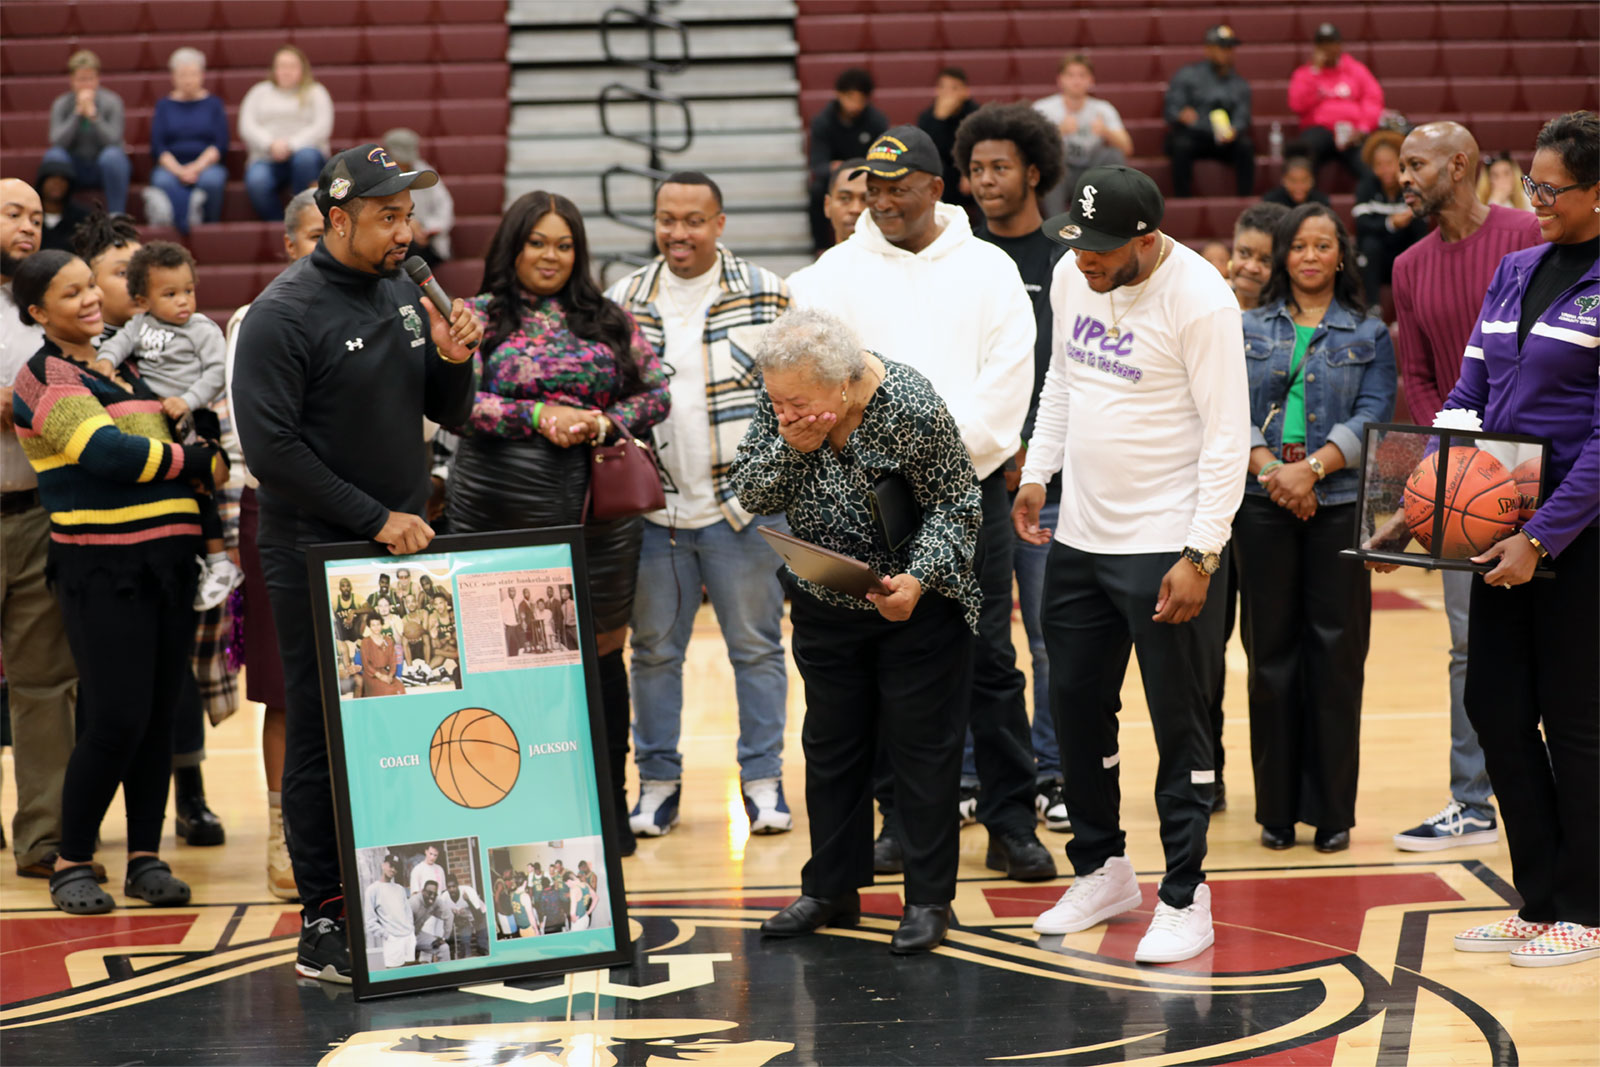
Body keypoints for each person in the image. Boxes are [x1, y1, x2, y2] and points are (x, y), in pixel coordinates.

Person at [232, 143, 481, 983]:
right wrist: (377, 519)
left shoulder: (405, 293)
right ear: (336, 219)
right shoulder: (283, 313)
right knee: (322, 734)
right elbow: (273, 452)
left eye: (408, 214)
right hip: (320, 549)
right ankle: (326, 919)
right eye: (387, 216)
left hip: (400, 552)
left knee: (412, 729)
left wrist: (455, 358)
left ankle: (408, 906)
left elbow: (448, 413)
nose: (404, 231)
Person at [785, 128, 1053, 882]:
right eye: (874, 188)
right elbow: (812, 389)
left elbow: (1007, 392)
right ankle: (900, 820)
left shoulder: (990, 270)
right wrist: (881, 464)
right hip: (863, 505)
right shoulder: (828, 277)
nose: (884, 201)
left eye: (900, 187)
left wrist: (928, 463)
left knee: (992, 662)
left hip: (968, 496)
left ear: (937, 187)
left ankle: (1010, 819)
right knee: (881, 664)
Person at [1013, 166, 1249, 964]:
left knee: (1180, 727)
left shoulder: (1202, 299)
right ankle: (1103, 865)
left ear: (1146, 239)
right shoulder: (1072, 272)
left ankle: (1187, 894)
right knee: (1076, 709)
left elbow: (1226, 436)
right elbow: (1063, 380)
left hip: (1167, 543)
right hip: (1079, 534)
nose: (1085, 262)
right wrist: (1039, 472)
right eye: (1077, 246)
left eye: (1104, 250)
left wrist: (1201, 551)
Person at [733, 308, 981, 954]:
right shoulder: (785, 407)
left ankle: (929, 899)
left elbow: (959, 504)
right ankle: (831, 888)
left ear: (843, 384)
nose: (785, 409)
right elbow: (752, 492)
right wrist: (793, 444)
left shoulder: (909, 404)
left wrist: (920, 580)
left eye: (798, 402)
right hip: (825, 599)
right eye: (777, 399)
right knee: (831, 747)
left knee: (922, 753)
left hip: (914, 608)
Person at [447, 190, 668, 853]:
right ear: (512, 246)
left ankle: (604, 808)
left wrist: (605, 420)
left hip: (597, 516)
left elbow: (655, 394)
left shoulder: (609, 318)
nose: (551, 255)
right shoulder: (475, 318)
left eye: (564, 243)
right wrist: (536, 416)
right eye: (537, 241)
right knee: (505, 664)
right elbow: (458, 403)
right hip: (498, 509)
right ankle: (515, 805)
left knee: (602, 659)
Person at [11, 250, 227, 915]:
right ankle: (74, 858)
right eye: (69, 292)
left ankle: (144, 855)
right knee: (113, 717)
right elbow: (107, 454)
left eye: (89, 288)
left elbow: (192, 422)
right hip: (101, 568)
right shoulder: (42, 374)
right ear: (37, 312)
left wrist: (197, 447)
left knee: (159, 717)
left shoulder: (128, 364)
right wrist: (192, 459)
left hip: (167, 564)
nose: (87, 300)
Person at [1434, 111, 1598, 967]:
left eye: (1550, 187)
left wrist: (1543, 535)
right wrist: (1428, 484)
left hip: (1578, 538)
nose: (1531, 199)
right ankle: (1538, 897)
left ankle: (1587, 902)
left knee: (1576, 719)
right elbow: (1468, 391)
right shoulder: (1513, 270)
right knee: (1494, 704)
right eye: (1527, 183)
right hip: (1497, 530)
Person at [605, 173, 793, 839]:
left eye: (692, 219)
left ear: (719, 222)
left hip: (745, 512)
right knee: (654, 652)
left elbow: (793, 402)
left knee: (757, 647)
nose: (677, 233)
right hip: (656, 515)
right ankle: (658, 784)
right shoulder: (623, 301)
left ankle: (763, 780)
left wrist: (771, 485)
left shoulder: (769, 294)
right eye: (665, 219)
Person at [1386, 121, 1541, 852]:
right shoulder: (1410, 264)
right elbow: (1416, 374)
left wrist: (1505, 450)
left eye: (1415, 165)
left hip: (1547, 466)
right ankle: (1472, 801)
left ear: (1461, 164)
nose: (1402, 177)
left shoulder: (1525, 233)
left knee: (1563, 636)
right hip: (1459, 476)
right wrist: (1450, 455)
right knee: (1466, 644)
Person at [1238, 203, 1395, 854]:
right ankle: (1275, 810)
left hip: (1335, 502)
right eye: (1297, 245)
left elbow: (1375, 412)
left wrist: (1315, 470)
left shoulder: (1369, 330)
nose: (1308, 256)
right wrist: (1276, 471)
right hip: (1260, 496)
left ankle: (1333, 811)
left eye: (1322, 245)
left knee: (1337, 656)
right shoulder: (1243, 325)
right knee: (1269, 657)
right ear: (1282, 257)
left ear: (1340, 256)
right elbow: (1224, 408)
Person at [951, 102, 1070, 833]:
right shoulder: (958, 260)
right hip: (974, 479)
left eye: (1000, 167)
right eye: (976, 169)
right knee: (979, 636)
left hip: (1050, 483)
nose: (986, 180)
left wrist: (1033, 453)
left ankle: (1052, 772)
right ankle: (979, 771)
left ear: (1035, 170)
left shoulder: (1066, 258)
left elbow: (1073, 371)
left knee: (1052, 637)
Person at [223, 188, 322, 899]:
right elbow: (249, 437)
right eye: (316, 234)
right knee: (286, 692)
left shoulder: (388, 309)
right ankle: (286, 836)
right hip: (280, 510)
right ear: (290, 243)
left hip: (369, 515)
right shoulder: (256, 318)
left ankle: (360, 829)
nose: (327, 246)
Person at [0, 181, 89, 885]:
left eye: (35, 216)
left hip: (36, 512)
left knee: (44, 683)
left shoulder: (50, 311)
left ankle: (43, 835)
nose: (28, 226)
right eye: (12, 214)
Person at [95, 241, 243, 610]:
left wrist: (188, 400)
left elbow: (216, 373)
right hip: (157, 417)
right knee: (176, 486)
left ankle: (220, 562)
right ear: (143, 300)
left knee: (201, 485)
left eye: (189, 291)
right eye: (171, 294)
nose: (183, 302)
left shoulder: (202, 329)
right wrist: (104, 362)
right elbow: (117, 347)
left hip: (192, 414)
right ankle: (193, 555)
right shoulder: (138, 324)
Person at [240, 45, 332, 222]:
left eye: (292, 66)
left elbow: (322, 127)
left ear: (302, 69)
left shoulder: (316, 92)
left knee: (305, 159)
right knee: (256, 181)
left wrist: (291, 145)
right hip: (266, 157)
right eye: (282, 66)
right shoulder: (259, 92)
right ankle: (282, 224)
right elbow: (247, 125)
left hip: (306, 155)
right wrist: (270, 144)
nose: (286, 71)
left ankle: (301, 218)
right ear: (274, 69)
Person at [1032, 54, 1132, 217]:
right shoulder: (1043, 108)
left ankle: (1109, 223)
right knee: (1049, 163)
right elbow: (1030, 149)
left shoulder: (1103, 109)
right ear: (1060, 80)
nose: (1076, 81)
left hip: (1092, 172)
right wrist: (1058, 132)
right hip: (1062, 174)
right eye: (1070, 75)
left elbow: (1127, 148)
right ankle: (1056, 230)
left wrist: (1106, 132)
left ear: (1091, 80)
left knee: (1113, 155)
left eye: (1082, 75)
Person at [1164, 25, 1255, 198]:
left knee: (1246, 146)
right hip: (1195, 135)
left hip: (1225, 137)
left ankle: (1245, 200)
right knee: (1180, 145)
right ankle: (1183, 201)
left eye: (1230, 47)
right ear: (1208, 49)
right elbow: (1172, 109)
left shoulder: (1239, 83)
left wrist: (1235, 129)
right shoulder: (1188, 75)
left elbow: (1243, 115)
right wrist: (1181, 114)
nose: (1227, 52)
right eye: (1222, 47)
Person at [1287, 23, 1383, 182]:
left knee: (1368, 161)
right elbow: (1297, 105)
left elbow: (1373, 100)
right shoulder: (1305, 74)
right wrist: (1315, 73)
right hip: (1320, 131)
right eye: (1322, 44)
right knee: (1305, 154)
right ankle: (1309, 202)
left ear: (1339, 46)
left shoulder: (1356, 70)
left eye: (1331, 43)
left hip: (1352, 132)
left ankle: (1369, 202)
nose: (1327, 48)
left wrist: (1363, 128)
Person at [147, 48, 228, 235]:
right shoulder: (164, 106)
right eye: (182, 75)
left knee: (213, 181)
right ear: (173, 77)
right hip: (172, 165)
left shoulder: (213, 104)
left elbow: (220, 144)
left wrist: (196, 168)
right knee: (162, 180)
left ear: (202, 75)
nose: (188, 80)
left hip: (206, 164)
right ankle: (177, 226)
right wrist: (179, 170)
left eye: (193, 74)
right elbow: (158, 146)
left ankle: (208, 227)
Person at [808, 69, 889, 252]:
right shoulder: (822, 122)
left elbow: (884, 161)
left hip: (868, 177)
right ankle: (820, 247)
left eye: (860, 99)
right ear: (839, 95)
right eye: (850, 97)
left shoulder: (876, 121)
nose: (855, 104)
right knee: (817, 191)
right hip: (834, 178)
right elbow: (817, 164)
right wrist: (837, 168)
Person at [44, 50, 131, 216]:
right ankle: (55, 214)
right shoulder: (61, 103)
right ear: (72, 80)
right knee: (54, 156)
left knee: (114, 156)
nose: (86, 84)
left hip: (102, 166)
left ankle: (116, 216)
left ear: (98, 79)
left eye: (90, 79)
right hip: (74, 167)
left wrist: (94, 117)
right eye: (81, 79)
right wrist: (76, 115)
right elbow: (56, 141)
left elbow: (114, 140)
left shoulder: (112, 101)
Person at [1353, 130, 1428, 316]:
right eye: (1379, 165)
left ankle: (1413, 305)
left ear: (1400, 163)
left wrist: (1409, 219)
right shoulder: (1366, 187)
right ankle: (1373, 306)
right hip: (1377, 258)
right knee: (1370, 244)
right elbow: (1361, 224)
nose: (1385, 169)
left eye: (1389, 163)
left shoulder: (1412, 186)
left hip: (1405, 251)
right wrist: (1390, 224)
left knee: (1418, 246)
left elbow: (1423, 227)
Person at [382, 128, 455, 264]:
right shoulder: (377, 177)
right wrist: (405, 225)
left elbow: (445, 208)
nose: (403, 164)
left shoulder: (426, 173)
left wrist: (424, 228)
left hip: (426, 243)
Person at [915, 67, 980, 217]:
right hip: (943, 175)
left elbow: (980, 146)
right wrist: (939, 119)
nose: (948, 93)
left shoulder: (976, 115)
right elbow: (927, 151)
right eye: (943, 87)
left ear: (966, 92)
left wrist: (970, 171)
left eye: (954, 88)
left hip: (969, 170)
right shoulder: (927, 117)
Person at [72, 210, 141, 337]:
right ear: (91, 284)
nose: (141, 282)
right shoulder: (77, 350)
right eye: (123, 273)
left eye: (144, 271)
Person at [1228, 201, 1288, 311]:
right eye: (1244, 253)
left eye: (1266, 261)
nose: (1251, 268)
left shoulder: (1292, 318)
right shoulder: (1206, 301)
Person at [363, 854, 414, 969]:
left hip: (408, 939)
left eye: (396, 867)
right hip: (393, 941)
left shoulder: (399, 889)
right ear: (383, 865)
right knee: (394, 976)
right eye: (391, 866)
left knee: (410, 975)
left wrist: (410, 931)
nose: (393, 870)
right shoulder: (372, 890)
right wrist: (388, 935)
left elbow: (408, 913)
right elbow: (370, 921)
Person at [35, 158, 92, 254]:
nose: (57, 184)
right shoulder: (28, 216)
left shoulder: (84, 217)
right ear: (42, 182)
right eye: (52, 179)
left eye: (62, 180)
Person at [443, 872, 487, 959]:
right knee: (465, 941)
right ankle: (468, 958)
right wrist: (457, 918)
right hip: (464, 918)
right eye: (449, 887)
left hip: (479, 915)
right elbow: (447, 919)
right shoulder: (444, 898)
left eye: (454, 886)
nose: (452, 889)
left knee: (482, 943)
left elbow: (478, 916)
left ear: (457, 885)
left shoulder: (468, 892)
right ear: (446, 887)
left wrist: (468, 901)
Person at [359, 615, 404, 697]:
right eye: (373, 625)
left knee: (400, 688)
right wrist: (380, 676)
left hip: (385, 673)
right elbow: (366, 664)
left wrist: (390, 675)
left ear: (382, 625)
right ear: (369, 627)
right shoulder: (365, 642)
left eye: (378, 624)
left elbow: (393, 661)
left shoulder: (388, 640)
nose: (376, 627)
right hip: (371, 674)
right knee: (388, 690)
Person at [410, 880, 453, 963]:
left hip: (417, 934)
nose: (432, 896)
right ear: (423, 891)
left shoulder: (436, 901)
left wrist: (444, 937)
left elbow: (449, 915)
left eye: (435, 894)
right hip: (403, 938)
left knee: (443, 947)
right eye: (430, 893)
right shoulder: (414, 903)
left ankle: (446, 974)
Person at [1263, 157, 1331, 209]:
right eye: (1293, 181)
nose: (1299, 186)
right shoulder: (1271, 202)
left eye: (1304, 181)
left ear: (1312, 181)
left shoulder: (1321, 202)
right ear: (1284, 181)